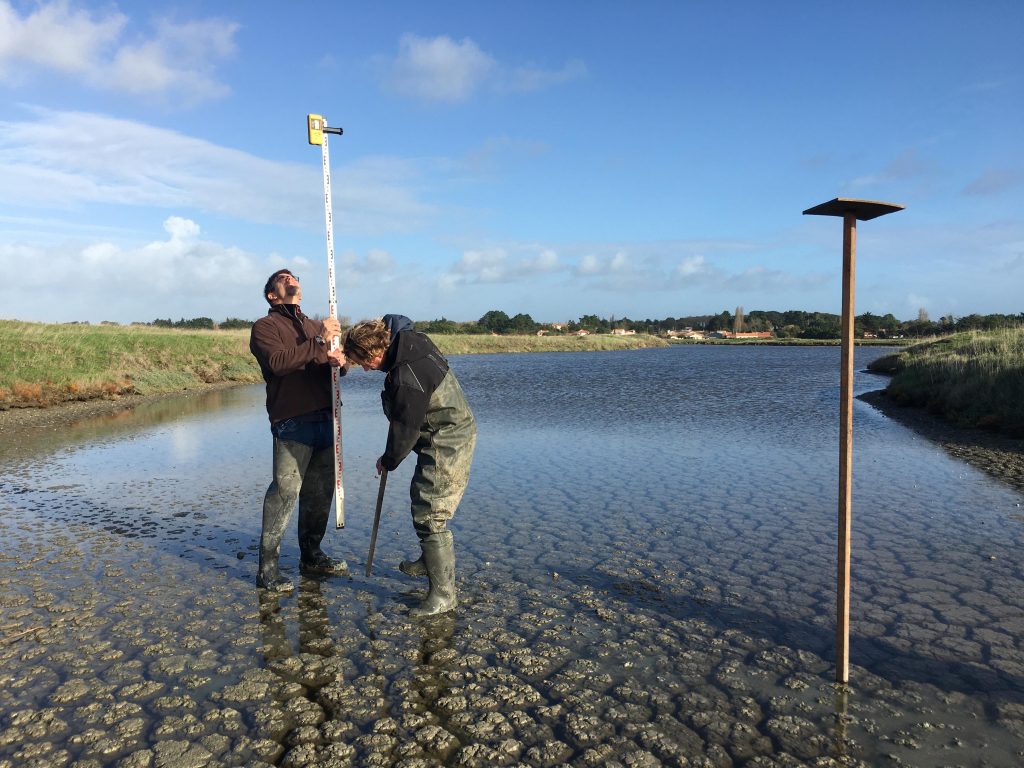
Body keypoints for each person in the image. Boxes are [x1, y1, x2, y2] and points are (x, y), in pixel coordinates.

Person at [343, 315, 476, 617]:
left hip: (448, 439)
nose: (364, 368)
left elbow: (405, 430)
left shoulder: (407, 377)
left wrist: (388, 460)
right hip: (440, 432)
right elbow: (394, 318)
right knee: (421, 497)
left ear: (376, 353)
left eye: (363, 363)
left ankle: (444, 595)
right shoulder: (407, 339)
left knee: (430, 514)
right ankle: (430, 558)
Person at [249, 268, 349, 593]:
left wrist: (338, 361)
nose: (291, 278)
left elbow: (328, 367)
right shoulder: (265, 327)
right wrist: (319, 341)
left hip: (325, 418)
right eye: (283, 278)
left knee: (319, 494)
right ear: (272, 295)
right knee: (285, 492)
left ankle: (312, 555)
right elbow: (279, 363)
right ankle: (267, 570)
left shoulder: (313, 325)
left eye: (294, 276)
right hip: (292, 420)